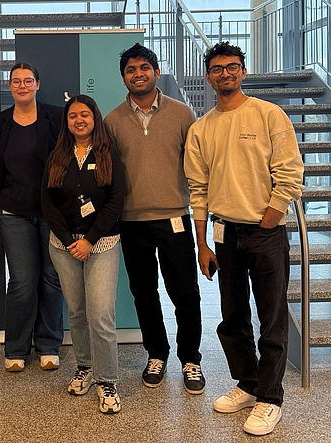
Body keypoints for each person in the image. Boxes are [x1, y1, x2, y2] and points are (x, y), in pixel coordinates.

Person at [184, 42, 304, 436]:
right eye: (217, 68)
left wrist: (270, 217)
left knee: (271, 317)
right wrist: (202, 244)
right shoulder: (201, 129)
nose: (225, 73)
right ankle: (249, 385)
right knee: (233, 317)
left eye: (232, 67)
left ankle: (270, 398)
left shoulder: (268, 115)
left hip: (265, 232)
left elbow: (290, 172)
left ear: (243, 71)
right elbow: (198, 190)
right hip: (224, 234)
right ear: (208, 76)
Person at [104, 43, 205, 394]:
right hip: (132, 222)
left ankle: (190, 359)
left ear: (156, 72)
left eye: (144, 68)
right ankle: (156, 354)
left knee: (185, 292)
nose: (138, 74)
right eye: (131, 70)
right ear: (123, 78)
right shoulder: (112, 121)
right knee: (144, 293)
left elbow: (196, 165)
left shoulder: (182, 114)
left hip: (174, 217)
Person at [41, 95, 125, 414]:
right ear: (66, 122)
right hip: (63, 246)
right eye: (73, 115)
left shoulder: (108, 153)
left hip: (101, 243)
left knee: (100, 314)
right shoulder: (57, 155)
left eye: (85, 114)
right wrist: (68, 240)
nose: (79, 120)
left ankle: (107, 380)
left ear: (94, 118)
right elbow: (47, 202)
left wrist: (89, 240)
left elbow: (116, 201)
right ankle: (85, 367)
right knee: (76, 311)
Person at [0, 62, 64, 372]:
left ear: (37, 84)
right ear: (9, 86)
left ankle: (49, 345)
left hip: (51, 212)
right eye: (16, 81)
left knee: (51, 279)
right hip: (13, 212)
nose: (22, 86)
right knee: (21, 282)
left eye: (28, 80)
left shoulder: (56, 117)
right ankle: (16, 348)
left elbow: (64, 159)